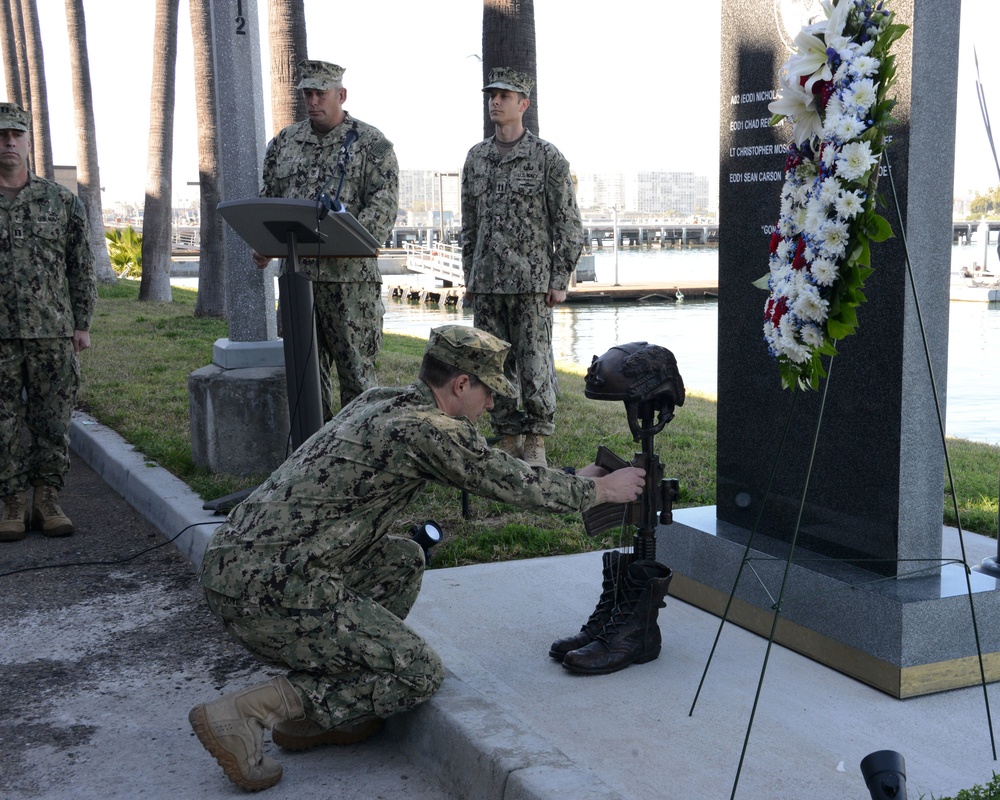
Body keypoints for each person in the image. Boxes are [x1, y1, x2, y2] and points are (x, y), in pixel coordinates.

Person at [189, 324, 646, 792]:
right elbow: (509, 485)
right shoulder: (426, 430)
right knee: (417, 673)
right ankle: (248, 712)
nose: (491, 405)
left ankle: (325, 707)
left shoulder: (383, 400)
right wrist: (601, 489)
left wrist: (573, 477)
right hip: (270, 588)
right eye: (489, 392)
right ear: (462, 384)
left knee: (402, 558)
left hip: (241, 563)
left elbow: (488, 466)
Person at [253, 59, 399, 417]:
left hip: (350, 284)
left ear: (341, 95)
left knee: (358, 379)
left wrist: (345, 240)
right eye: (308, 93)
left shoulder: (371, 145)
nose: (313, 100)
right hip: (298, 279)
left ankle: (357, 455)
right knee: (305, 378)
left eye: (321, 93)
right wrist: (263, 242)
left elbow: (383, 208)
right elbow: (269, 199)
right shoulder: (285, 143)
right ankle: (313, 456)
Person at [461, 66, 585, 468]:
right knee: (492, 365)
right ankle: (508, 435)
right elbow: (469, 224)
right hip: (488, 282)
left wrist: (558, 278)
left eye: (504, 96)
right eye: (491, 95)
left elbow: (567, 221)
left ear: (524, 104)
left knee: (534, 367)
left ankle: (536, 438)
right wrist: (470, 277)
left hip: (531, 283)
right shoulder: (476, 158)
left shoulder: (547, 157)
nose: (495, 102)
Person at [0, 102, 96, 542]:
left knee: (52, 420)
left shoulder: (60, 202)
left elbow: (80, 267)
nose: (8, 143)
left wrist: (82, 324)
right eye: (1, 136)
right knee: (2, 423)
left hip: (52, 332)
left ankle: (48, 500)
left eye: (15, 135)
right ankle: (12, 503)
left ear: (28, 141)